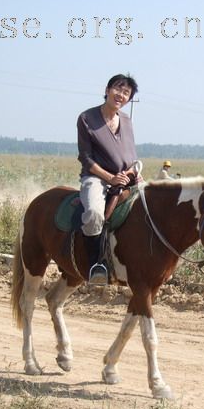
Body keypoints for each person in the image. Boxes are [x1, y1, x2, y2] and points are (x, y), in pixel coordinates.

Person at [77, 73, 140, 285]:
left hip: (126, 177)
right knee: (94, 213)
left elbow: (131, 156)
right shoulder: (87, 118)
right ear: (107, 89)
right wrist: (110, 178)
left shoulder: (127, 121)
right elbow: (85, 158)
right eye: (117, 89)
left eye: (126, 93)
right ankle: (96, 264)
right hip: (97, 177)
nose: (120, 95)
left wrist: (130, 173)